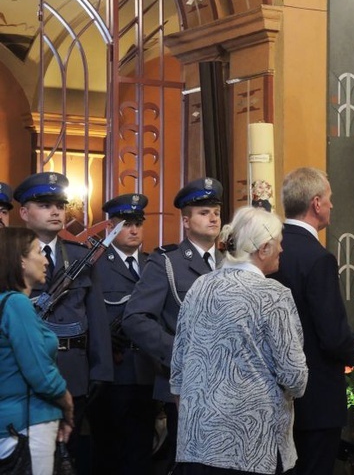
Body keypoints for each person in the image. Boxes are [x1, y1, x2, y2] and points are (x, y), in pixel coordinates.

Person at [171, 206, 308, 474]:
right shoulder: (273, 294)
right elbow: (295, 376)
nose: (282, 250)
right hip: (252, 448)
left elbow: (178, 369)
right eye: (279, 244)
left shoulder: (200, 286)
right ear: (264, 248)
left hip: (197, 443)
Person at [13, 172, 112, 472]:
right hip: (23, 371)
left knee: (69, 455)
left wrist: (101, 369)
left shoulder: (81, 257)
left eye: (60, 204)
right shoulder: (9, 257)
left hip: (74, 369)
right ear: (24, 212)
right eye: (44, 204)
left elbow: (96, 317)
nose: (56, 211)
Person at [122, 177, 223, 471]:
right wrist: (180, 352)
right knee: (191, 465)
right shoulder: (167, 262)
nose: (213, 217)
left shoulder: (230, 261)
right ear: (186, 221)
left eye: (216, 210)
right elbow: (135, 318)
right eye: (203, 212)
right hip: (185, 384)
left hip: (225, 384)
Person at [270, 167, 354, 475]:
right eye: (330, 198)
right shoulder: (318, 257)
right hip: (316, 398)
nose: (332, 205)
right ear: (316, 203)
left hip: (274, 395)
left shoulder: (270, 251)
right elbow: (333, 335)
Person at [88, 193, 157, 474]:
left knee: (143, 452)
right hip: (114, 373)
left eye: (138, 223)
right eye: (126, 223)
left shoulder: (155, 265)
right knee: (110, 453)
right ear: (110, 226)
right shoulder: (95, 266)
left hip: (148, 371)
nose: (134, 229)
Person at [0, 227, 74, 474]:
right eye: (38, 252)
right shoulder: (17, 304)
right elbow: (39, 372)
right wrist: (66, 401)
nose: (45, 260)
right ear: (21, 260)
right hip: (27, 423)